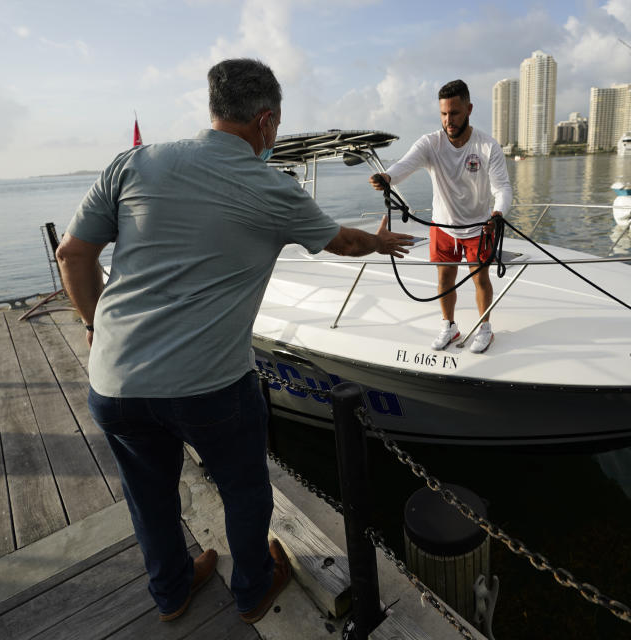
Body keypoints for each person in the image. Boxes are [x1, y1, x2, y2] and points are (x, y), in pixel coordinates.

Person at [55, 58, 413, 625]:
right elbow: (340, 242)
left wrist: (96, 325)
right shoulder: (273, 187)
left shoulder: (134, 164)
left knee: (150, 498)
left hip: (115, 381)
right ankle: (252, 591)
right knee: (245, 493)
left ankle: (172, 592)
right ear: (267, 123)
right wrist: (379, 240)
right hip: (212, 387)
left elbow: (73, 254)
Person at [369, 79, 511, 354]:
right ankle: (449, 326)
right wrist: (387, 177)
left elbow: (502, 188)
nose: (449, 120)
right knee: (444, 280)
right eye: (444, 114)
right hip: (443, 227)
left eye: (455, 113)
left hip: (479, 227)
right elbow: (405, 165)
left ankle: (484, 327)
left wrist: (498, 213)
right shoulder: (430, 144)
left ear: (469, 109)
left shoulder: (487, 147)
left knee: (480, 279)